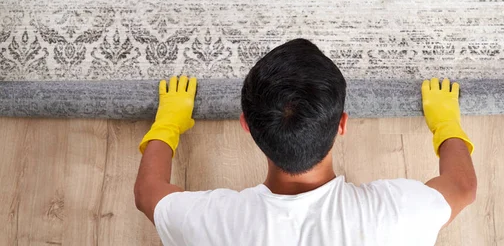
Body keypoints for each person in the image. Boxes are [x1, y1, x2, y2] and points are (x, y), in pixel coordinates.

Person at [134, 38, 476, 246]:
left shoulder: (214, 222)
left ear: (247, 127)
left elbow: (148, 193)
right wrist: (445, 123)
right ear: (342, 125)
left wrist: (167, 124)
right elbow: (461, 186)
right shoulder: (394, 216)